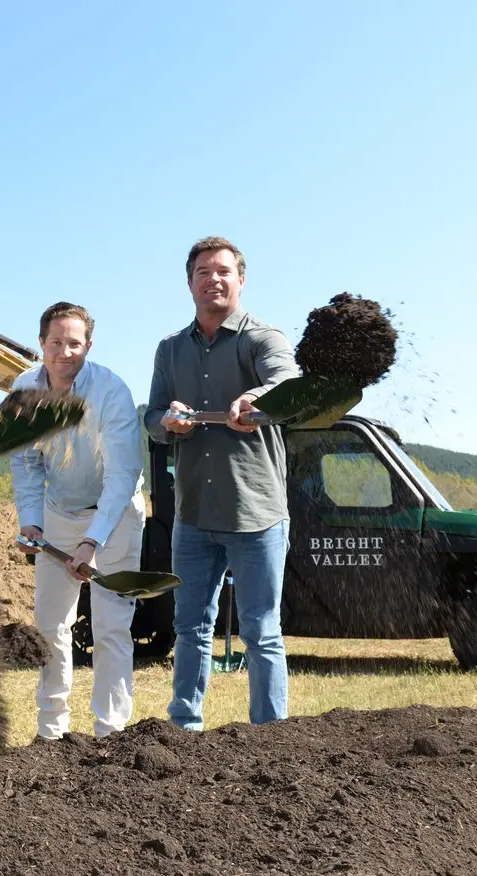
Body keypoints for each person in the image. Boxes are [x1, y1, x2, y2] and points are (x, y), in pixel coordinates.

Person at [145, 236, 300, 731]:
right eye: (203, 272)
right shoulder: (170, 349)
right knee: (189, 627)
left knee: (261, 631)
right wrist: (166, 421)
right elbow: (151, 415)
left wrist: (256, 399)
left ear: (241, 280)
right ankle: (184, 728)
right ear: (189, 283)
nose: (213, 279)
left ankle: (270, 735)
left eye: (223, 271)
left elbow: (288, 386)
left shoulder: (263, 339)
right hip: (192, 515)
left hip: (255, 513)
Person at [10, 302, 146, 739]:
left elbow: (122, 477)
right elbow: (26, 464)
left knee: (110, 627)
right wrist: (31, 522)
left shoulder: (111, 391)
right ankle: (52, 731)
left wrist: (92, 542)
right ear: (41, 343)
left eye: (74, 343)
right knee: (50, 624)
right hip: (58, 512)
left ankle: (111, 731)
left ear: (89, 345)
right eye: (56, 342)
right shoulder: (23, 389)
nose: (64, 352)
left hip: (116, 514)